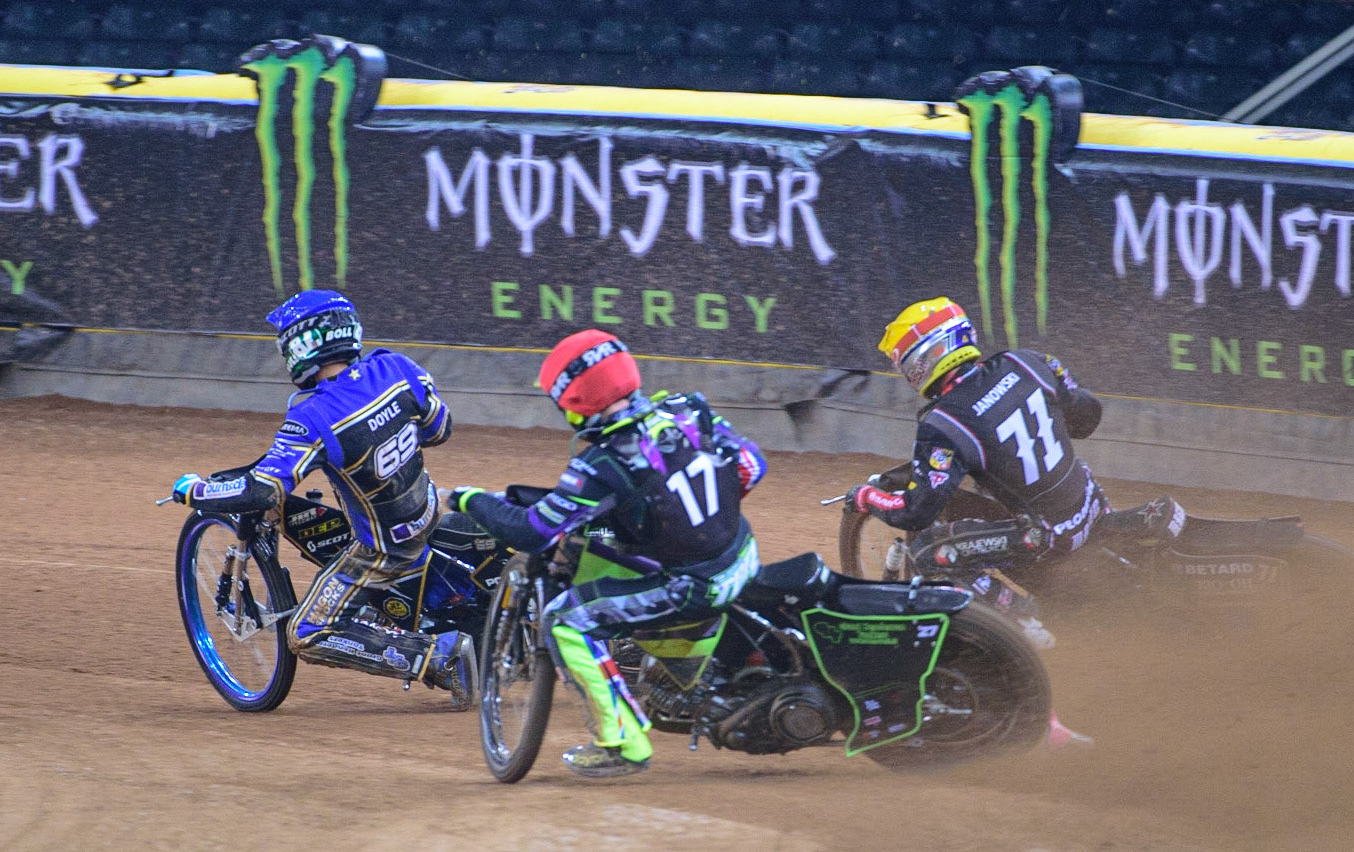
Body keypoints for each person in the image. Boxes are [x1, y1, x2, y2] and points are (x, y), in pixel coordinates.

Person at [446, 328, 767, 778]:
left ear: (573, 402)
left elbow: (533, 532)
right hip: (743, 554)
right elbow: (752, 464)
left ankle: (624, 743)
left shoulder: (602, 463)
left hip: (694, 586)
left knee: (564, 621)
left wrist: (468, 499)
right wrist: (697, 524)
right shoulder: (688, 409)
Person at [170, 289, 472, 703]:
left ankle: (437, 657)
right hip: (427, 506)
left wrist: (199, 491)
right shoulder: (396, 367)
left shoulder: (313, 414)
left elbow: (264, 489)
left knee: (306, 633)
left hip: (385, 549)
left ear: (304, 344)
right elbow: (440, 429)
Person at [848, 297, 1184, 647]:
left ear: (926, 358)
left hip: (1047, 536)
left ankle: (1026, 617)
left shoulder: (943, 424)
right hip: (1091, 504)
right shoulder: (1026, 361)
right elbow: (1087, 418)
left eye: (906, 364)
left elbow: (918, 510)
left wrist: (865, 496)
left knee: (930, 552)